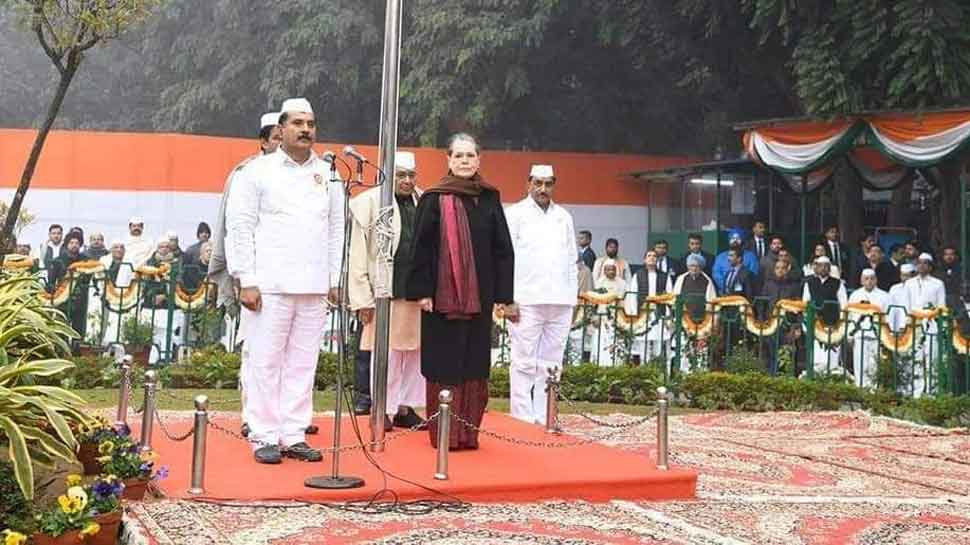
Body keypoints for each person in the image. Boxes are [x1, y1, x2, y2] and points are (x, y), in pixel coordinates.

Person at [226, 97, 344, 464]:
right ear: (281, 129)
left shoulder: (329, 174)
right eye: (298, 123)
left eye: (311, 124)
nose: (306, 130)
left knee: (302, 363)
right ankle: (263, 433)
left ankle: (293, 433)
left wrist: (334, 277)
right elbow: (240, 228)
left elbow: (336, 229)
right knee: (265, 361)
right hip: (269, 285)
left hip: (313, 286)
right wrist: (246, 278)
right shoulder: (256, 172)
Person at [406, 132, 514, 451]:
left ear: (479, 160)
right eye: (459, 156)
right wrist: (422, 292)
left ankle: (468, 434)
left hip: (479, 300)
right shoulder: (434, 198)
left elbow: (503, 250)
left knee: (473, 364)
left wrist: (503, 297)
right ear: (449, 160)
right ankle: (444, 434)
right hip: (440, 301)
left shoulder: (490, 197)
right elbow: (420, 249)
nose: (465, 161)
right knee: (445, 363)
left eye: (470, 156)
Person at [208, 110, 282, 435]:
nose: (283, 144)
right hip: (255, 275)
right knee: (255, 348)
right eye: (277, 138)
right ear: (263, 142)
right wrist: (241, 276)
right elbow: (234, 229)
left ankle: (283, 419)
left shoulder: (305, 175)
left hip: (288, 276)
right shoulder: (245, 174)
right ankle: (252, 417)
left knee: (285, 352)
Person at [348, 150, 426, 431]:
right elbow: (358, 254)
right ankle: (384, 409)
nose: (406, 181)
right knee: (389, 355)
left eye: (410, 175)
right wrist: (361, 299)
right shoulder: (368, 203)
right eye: (400, 176)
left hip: (417, 291)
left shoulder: (424, 200)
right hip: (384, 292)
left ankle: (406, 408)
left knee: (414, 354)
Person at [505, 164, 577, 425]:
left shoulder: (564, 217)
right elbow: (505, 259)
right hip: (526, 300)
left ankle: (544, 416)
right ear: (528, 183)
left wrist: (573, 298)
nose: (543, 189)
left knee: (551, 363)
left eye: (548, 184)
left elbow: (572, 261)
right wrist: (507, 299)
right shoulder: (515, 215)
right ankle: (521, 420)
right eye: (538, 183)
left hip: (560, 301)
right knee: (523, 362)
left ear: (554, 185)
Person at [905, 253, 946, 397]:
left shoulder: (938, 283)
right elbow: (907, 305)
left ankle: (931, 392)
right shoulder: (909, 283)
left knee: (931, 357)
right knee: (915, 358)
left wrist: (930, 314)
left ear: (930, 266)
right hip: (915, 324)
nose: (921, 266)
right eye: (919, 263)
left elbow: (941, 306)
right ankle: (916, 391)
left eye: (925, 263)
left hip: (931, 324)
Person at [624, 249, 673, 365]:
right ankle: (644, 368)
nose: (651, 258)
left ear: (657, 259)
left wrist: (668, 316)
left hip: (659, 313)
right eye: (649, 256)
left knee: (658, 344)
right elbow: (633, 295)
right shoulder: (638, 275)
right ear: (644, 260)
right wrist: (634, 315)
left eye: (654, 256)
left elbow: (670, 296)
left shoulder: (665, 276)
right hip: (643, 314)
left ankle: (657, 368)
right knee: (643, 344)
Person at [802, 256, 847, 376]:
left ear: (829, 268)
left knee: (832, 360)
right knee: (817, 358)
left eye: (826, 266)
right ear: (816, 267)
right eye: (820, 265)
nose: (823, 268)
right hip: (815, 325)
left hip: (832, 325)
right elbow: (805, 303)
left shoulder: (837, 283)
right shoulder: (809, 283)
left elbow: (843, 305)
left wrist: (840, 325)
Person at [672, 254, 716, 373]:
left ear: (701, 267)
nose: (694, 268)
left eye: (696, 266)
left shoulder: (707, 281)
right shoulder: (681, 279)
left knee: (701, 350)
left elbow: (711, 304)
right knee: (683, 349)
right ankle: (683, 374)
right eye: (691, 266)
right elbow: (675, 299)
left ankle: (700, 375)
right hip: (684, 321)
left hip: (701, 323)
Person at [758, 258, 802, 374]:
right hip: (770, 326)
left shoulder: (794, 286)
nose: (780, 271)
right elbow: (761, 304)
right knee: (771, 356)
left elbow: (798, 308)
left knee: (787, 357)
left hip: (787, 326)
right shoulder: (768, 285)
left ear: (787, 269)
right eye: (777, 268)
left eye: (782, 268)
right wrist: (762, 322)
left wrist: (797, 326)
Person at [847, 269, 889, 388]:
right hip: (859, 334)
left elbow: (888, 316)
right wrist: (849, 334)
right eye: (866, 278)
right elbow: (850, 316)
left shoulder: (884, 296)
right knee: (860, 364)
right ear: (861, 281)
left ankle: (874, 390)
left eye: (872, 278)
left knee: (875, 364)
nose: (869, 281)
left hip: (877, 335)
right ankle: (860, 388)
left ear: (876, 280)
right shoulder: (855, 295)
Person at [48, 232, 90, 338]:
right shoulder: (58, 260)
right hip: (62, 299)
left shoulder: (85, 260)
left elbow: (88, 278)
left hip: (79, 298)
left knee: (78, 327)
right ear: (67, 244)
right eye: (71, 242)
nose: (74, 245)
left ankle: (77, 349)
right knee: (61, 325)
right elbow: (51, 280)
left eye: (77, 243)